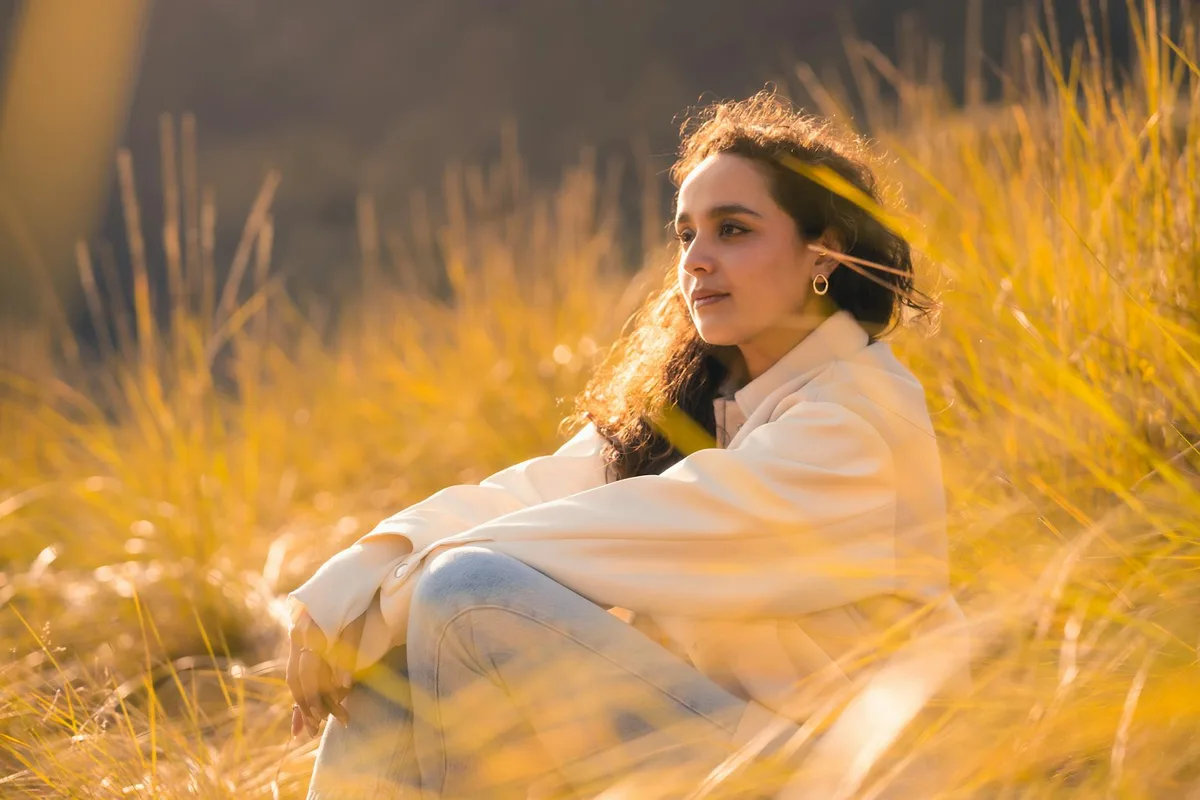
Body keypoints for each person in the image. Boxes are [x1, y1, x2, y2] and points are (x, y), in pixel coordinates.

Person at [285, 90, 967, 799]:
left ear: (822, 251)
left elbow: (615, 530)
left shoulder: (859, 421)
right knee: (396, 652)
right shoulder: (707, 403)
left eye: (733, 230)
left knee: (464, 594)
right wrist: (360, 574)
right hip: (731, 754)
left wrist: (384, 597)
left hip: (839, 778)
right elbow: (539, 491)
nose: (696, 260)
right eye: (686, 236)